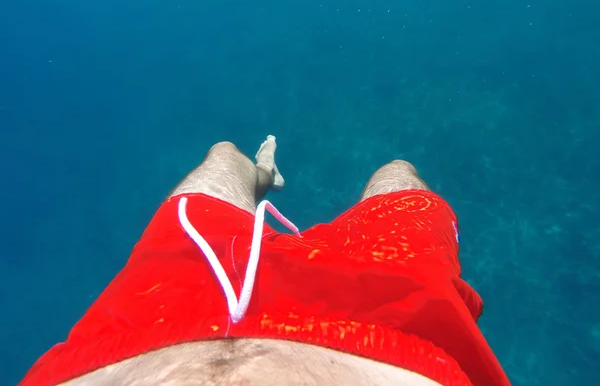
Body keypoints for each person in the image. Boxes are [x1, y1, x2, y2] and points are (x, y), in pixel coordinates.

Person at [20, 135, 511, 386]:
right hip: (396, 337)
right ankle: (265, 185)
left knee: (221, 158)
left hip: (143, 327)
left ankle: (258, 174)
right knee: (398, 174)